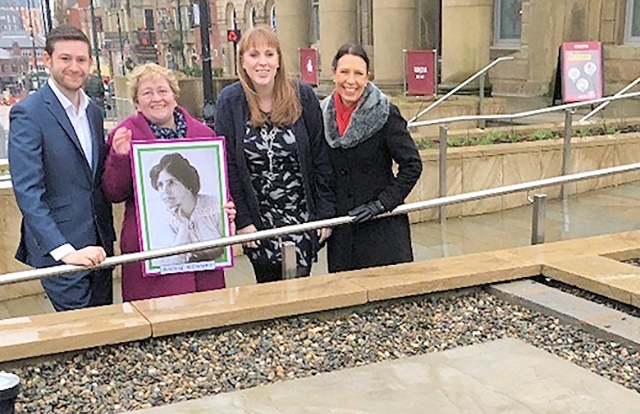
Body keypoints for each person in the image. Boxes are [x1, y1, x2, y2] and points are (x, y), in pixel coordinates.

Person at [101, 63, 234, 301]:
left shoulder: (204, 134)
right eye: (147, 93)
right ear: (137, 103)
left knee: (207, 315)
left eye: (163, 91)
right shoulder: (124, 134)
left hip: (204, 258)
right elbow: (113, 192)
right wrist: (120, 157)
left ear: (174, 96)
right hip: (150, 252)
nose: (157, 98)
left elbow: (219, 183)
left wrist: (227, 208)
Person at [214, 26, 335, 284]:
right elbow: (229, 165)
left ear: (279, 60)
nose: (262, 62)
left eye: (269, 54)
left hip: (299, 216)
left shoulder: (302, 96)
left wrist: (325, 213)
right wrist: (244, 221)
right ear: (242, 62)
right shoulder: (230, 101)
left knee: (299, 290)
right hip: (259, 221)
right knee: (268, 290)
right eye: (254, 55)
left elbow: (319, 156)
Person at [8, 25, 115, 311]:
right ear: (48, 60)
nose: (74, 67)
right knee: (80, 335)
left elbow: (93, 179)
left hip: (101, 245)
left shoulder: (93, 112)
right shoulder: (28, 113)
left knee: (105, 329)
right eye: (65, 58)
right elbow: (28, 192)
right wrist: (64, 252)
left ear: (90, 63)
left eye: (81, 60)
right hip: (62, 251)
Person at [321, 43, 422, 273]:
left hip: (382, 228)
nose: (351, 80)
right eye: (344, 72)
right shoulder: (321, 115)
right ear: (334, 73)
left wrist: (382, 204)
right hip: (343, 232)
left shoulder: (385, 112)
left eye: (358, 73)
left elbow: (412, 165)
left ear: (367, 77)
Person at [149, 152, 225, 265]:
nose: (165, 190)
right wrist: (184, 228)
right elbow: (166, 263)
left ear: (187, 183)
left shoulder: (212, 205)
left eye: (171, 183)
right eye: (160, 185)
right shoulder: (161, 217)